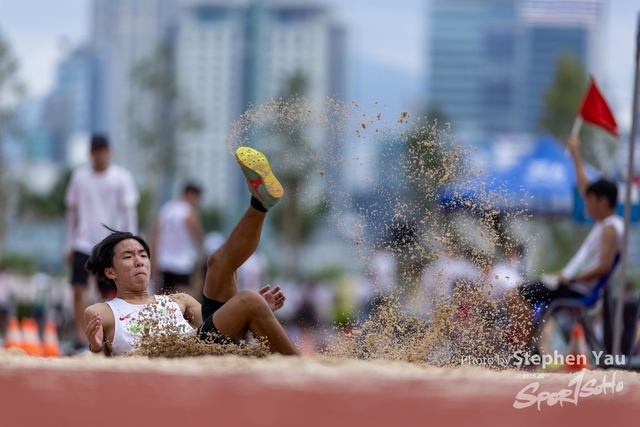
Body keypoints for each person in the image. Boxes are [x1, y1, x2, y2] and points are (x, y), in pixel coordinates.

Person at [83, 146, 300, 356]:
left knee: (217, 264)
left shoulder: (179, 300)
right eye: (128, 257)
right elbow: (100, 365)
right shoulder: (102, 312)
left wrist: (246, 313)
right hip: (182, 356)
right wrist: (95, 347)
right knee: (249, 298)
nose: (139, 261)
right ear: (110, 271)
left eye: (142, 255)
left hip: (206, 349)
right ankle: (302, 366)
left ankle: (260, 202)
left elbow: (217, 329)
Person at [506, 134, 624, 342]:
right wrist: (575, 154)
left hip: (574, 287)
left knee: (515, 295)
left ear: (603, 202)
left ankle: (527, 348)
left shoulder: (610, 228)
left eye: (590, 201)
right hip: (570, 283)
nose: (586, 205)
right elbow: (585, 186)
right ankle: (530, 347)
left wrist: (571, 278)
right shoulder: (606, 223)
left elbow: (604, 266)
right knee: (520, 295)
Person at [65, 134, 139, 350]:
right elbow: (71, 213)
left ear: (110, 151)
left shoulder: (121, 177)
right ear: (91, 152)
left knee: (107, 293)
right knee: (78, 289)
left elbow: (129, 212)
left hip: (108, 244)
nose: (100, 155)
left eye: (103, 150)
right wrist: (68, 244)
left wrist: (131, 243)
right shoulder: (79, 177)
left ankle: (106, 338)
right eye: (96, 150)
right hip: (82, 241)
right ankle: (80, 337)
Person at [149, 183, 205, 295]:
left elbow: (154, 235)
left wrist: (152, 260)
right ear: (191, 194)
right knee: (181, 301)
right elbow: (200, 239)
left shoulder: (166, 209)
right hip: (182, 264)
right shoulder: (189, 212)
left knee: (163, 301)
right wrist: (201, 264)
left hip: (164, 263)